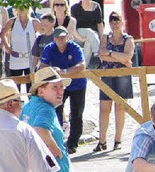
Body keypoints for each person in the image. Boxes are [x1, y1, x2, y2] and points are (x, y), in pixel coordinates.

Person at [40, 26, 86, 154]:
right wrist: (53, 70)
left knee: (76, 113)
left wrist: (64, 72)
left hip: (77, 85)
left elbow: (82, 65)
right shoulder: (49, 48)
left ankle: (73, 143)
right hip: (59, 86)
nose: (60, 39)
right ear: (54, 38)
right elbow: (43, 65)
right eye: (58, 37)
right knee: (56, 111)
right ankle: (58, 141)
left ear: (67, 36)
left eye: (63, 36)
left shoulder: (74, 47)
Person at [94, 11, 134, 152]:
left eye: (117, 21)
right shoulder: (105, 37)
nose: (114, 24)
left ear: (122, 22)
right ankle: (102, 141)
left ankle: (118, 140)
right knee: (104, 108)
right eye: (112, 21)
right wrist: (119, 57)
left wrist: (110, 53)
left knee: (120, 108)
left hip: (122, 76)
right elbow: (101, 55)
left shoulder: (128, 39)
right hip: (107, 75)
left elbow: (128, 56)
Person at [0, 7, 41, 93]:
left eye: (25, 5)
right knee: (15, 88)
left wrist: (38, 51)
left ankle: (32, 105)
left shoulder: (34, 22)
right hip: (16, 58)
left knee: (31, 88)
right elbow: (2, 34)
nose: (22, 8)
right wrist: (7, 47)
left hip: (30, 59)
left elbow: (44, 35)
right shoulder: (12, 22)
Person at [70, 0, 103, 68]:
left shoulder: (96, 7)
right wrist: (81, 39)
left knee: (89, 42)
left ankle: (83, 66)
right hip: (78, 34)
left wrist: (101, 38)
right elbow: (72, 27)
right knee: (89, 32)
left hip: (93, 36)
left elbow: (99, 24)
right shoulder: (75, 8)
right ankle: (99, 53)